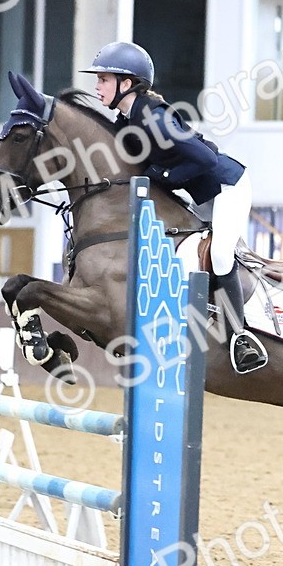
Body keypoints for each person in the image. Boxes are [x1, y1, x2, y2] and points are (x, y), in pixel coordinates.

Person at [81, 41, 268, 375]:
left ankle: (241, 336)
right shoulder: (127, 120)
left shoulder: (153, 117)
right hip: (201, 193)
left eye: (104, 80)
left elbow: (205, 158)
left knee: (222, 255)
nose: (97, 87)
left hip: (226, 187)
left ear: (127, 84)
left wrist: (158, 176)